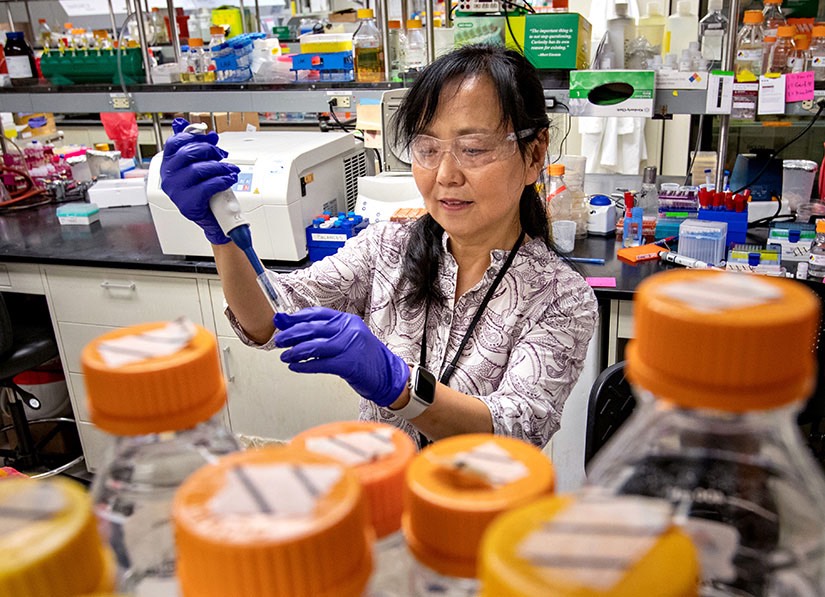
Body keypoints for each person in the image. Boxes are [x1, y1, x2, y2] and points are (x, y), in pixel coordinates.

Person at [159, 44, 598, 449]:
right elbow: (270, 319)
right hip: (384, 500)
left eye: (474, 148)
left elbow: (516, 428)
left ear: (535, 154)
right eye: (427, 147)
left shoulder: (562, 296)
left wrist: (399, 385)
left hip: (481, 518)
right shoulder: (387, 248)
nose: (445, 173)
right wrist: (220, 230)